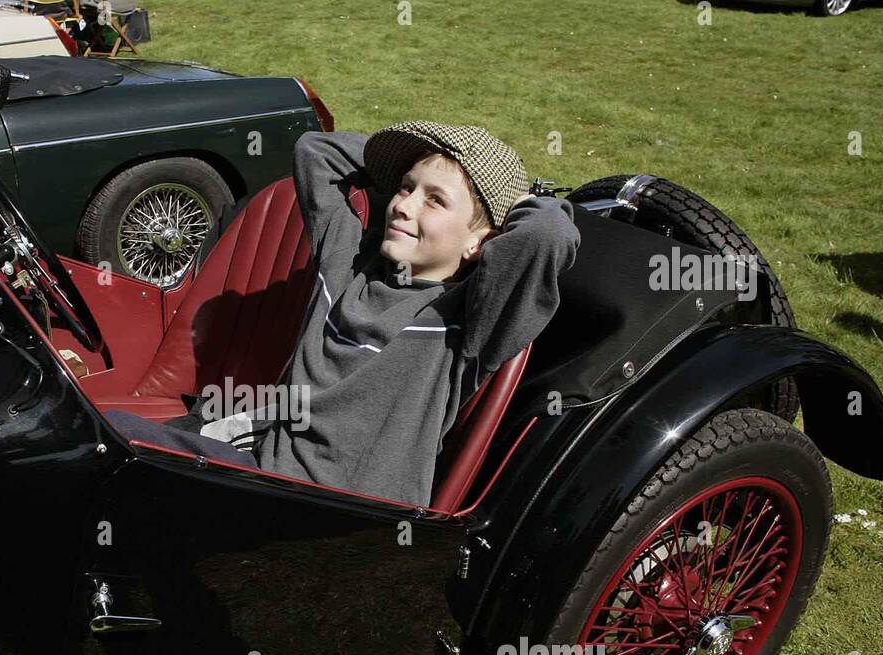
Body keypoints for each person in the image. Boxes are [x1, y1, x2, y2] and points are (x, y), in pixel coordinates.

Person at [105, 120, 581, 507]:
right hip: (262, 475)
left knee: (109, 450)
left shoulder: (469, 319)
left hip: (348, 512)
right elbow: (316, 150)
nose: (403, 205)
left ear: (480, 242)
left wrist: (511, 200)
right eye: (404, 186)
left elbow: (547, 237)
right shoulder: (347, 264)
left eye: (435, 200)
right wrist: (411, 157)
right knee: (104, 436)